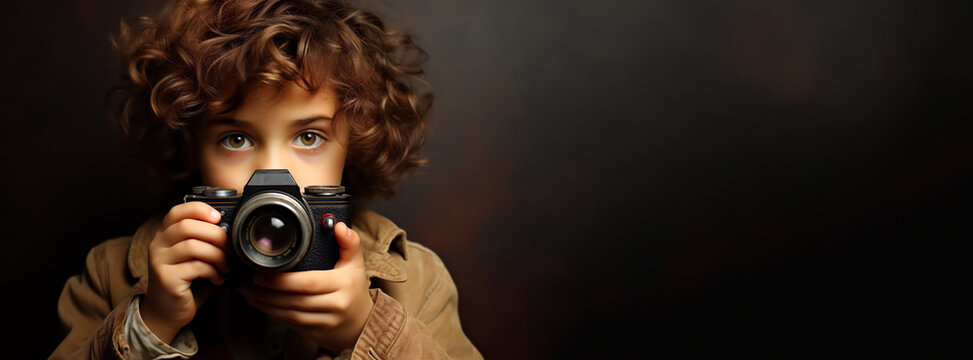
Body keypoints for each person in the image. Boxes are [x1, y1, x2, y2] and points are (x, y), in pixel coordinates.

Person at [50, 0, 481, 359]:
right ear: (191, 145)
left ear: (354, 142)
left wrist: (365, 330)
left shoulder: (414, 279)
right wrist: (151, 323)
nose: (273, 175)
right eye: (236, 139)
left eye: (309, 137)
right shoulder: (109, 275)